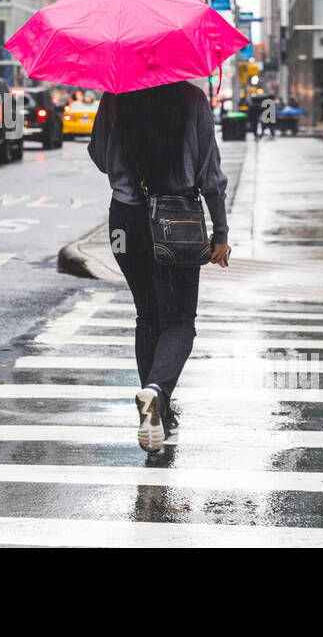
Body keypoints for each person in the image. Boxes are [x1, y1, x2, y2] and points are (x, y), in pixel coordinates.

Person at [88, 82, 230, 454]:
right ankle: (156, 392)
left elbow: (100, 157)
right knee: (179, 321)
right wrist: (221, 230)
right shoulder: (193, 99)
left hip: (124, 219)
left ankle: (160, 412)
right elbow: (210, 174)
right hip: (175, 218)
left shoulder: (115, 95)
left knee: (147, 316)